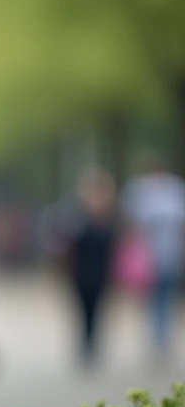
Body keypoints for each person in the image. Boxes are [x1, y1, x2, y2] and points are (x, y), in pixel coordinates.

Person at [122, 156, 185, 355]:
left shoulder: (175, 189)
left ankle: (161, 334)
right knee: (151, 296)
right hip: (146, 256)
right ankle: (156, 333)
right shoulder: (139, 191)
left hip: (169, 254)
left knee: (165, 294)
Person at [63, 167, 117, 364]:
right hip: (80, 273)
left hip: (101, 273)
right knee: (82, 310)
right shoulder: (77, 216)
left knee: (97, 310)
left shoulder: (109, 218)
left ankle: (92, 343)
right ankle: (85, 342)